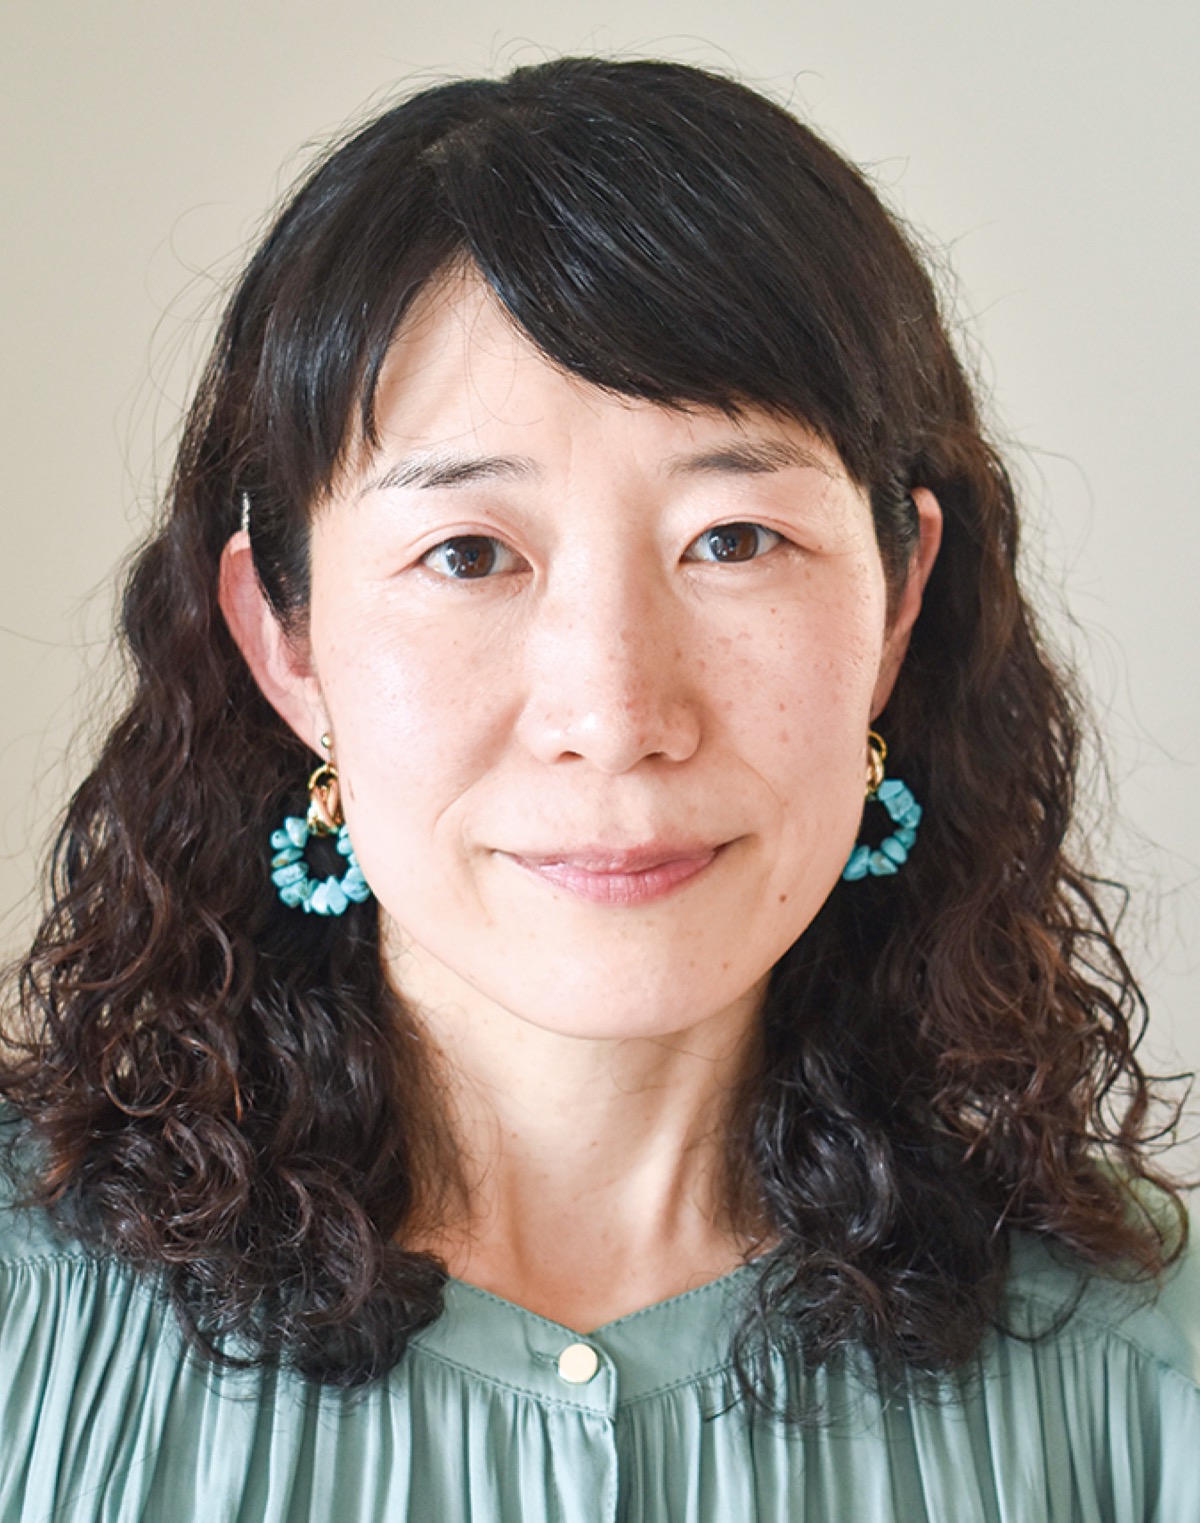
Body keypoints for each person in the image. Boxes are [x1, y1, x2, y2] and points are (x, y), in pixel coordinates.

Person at [0, 54, 1196, 1523]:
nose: (617, 716)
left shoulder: (1149, 1366)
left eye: (735, 539)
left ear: (896, 606)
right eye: (468, 555)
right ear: (288, 644)